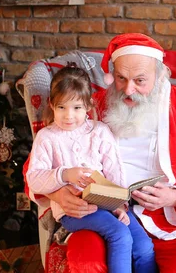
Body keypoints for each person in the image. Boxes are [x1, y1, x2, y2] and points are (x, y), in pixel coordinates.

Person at [25, 33, 176, 272]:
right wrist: (59, 195)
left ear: (159, 75)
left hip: (172, 219)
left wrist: (174, 197)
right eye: (121, 78)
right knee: (86, 262)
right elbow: (33, 171)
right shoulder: (88, 108)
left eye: (140, 81)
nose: (128, 89)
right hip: (102, 212)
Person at [25, 66, 158, 273]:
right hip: (75, 210)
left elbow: (115, 172)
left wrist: (120, 205)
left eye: (77, 107)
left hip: (106, 202)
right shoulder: (46, 137)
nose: (69, 116)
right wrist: (64, 174)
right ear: (51, 105)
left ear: (88, 105)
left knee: (144, 247)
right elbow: (33, 178)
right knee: (120, 235)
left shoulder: (100, 132)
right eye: (62, 107)